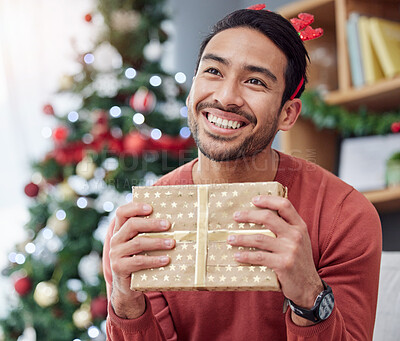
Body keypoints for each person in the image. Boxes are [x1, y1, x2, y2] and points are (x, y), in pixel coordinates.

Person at [103, 7, 382, 340]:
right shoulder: (140, 228)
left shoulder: (344, 215)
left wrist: (308, 294)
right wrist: (125, 303)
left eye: (255, 81)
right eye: (213, 71)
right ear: (191, 91)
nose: (226, 97)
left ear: (288, 114)